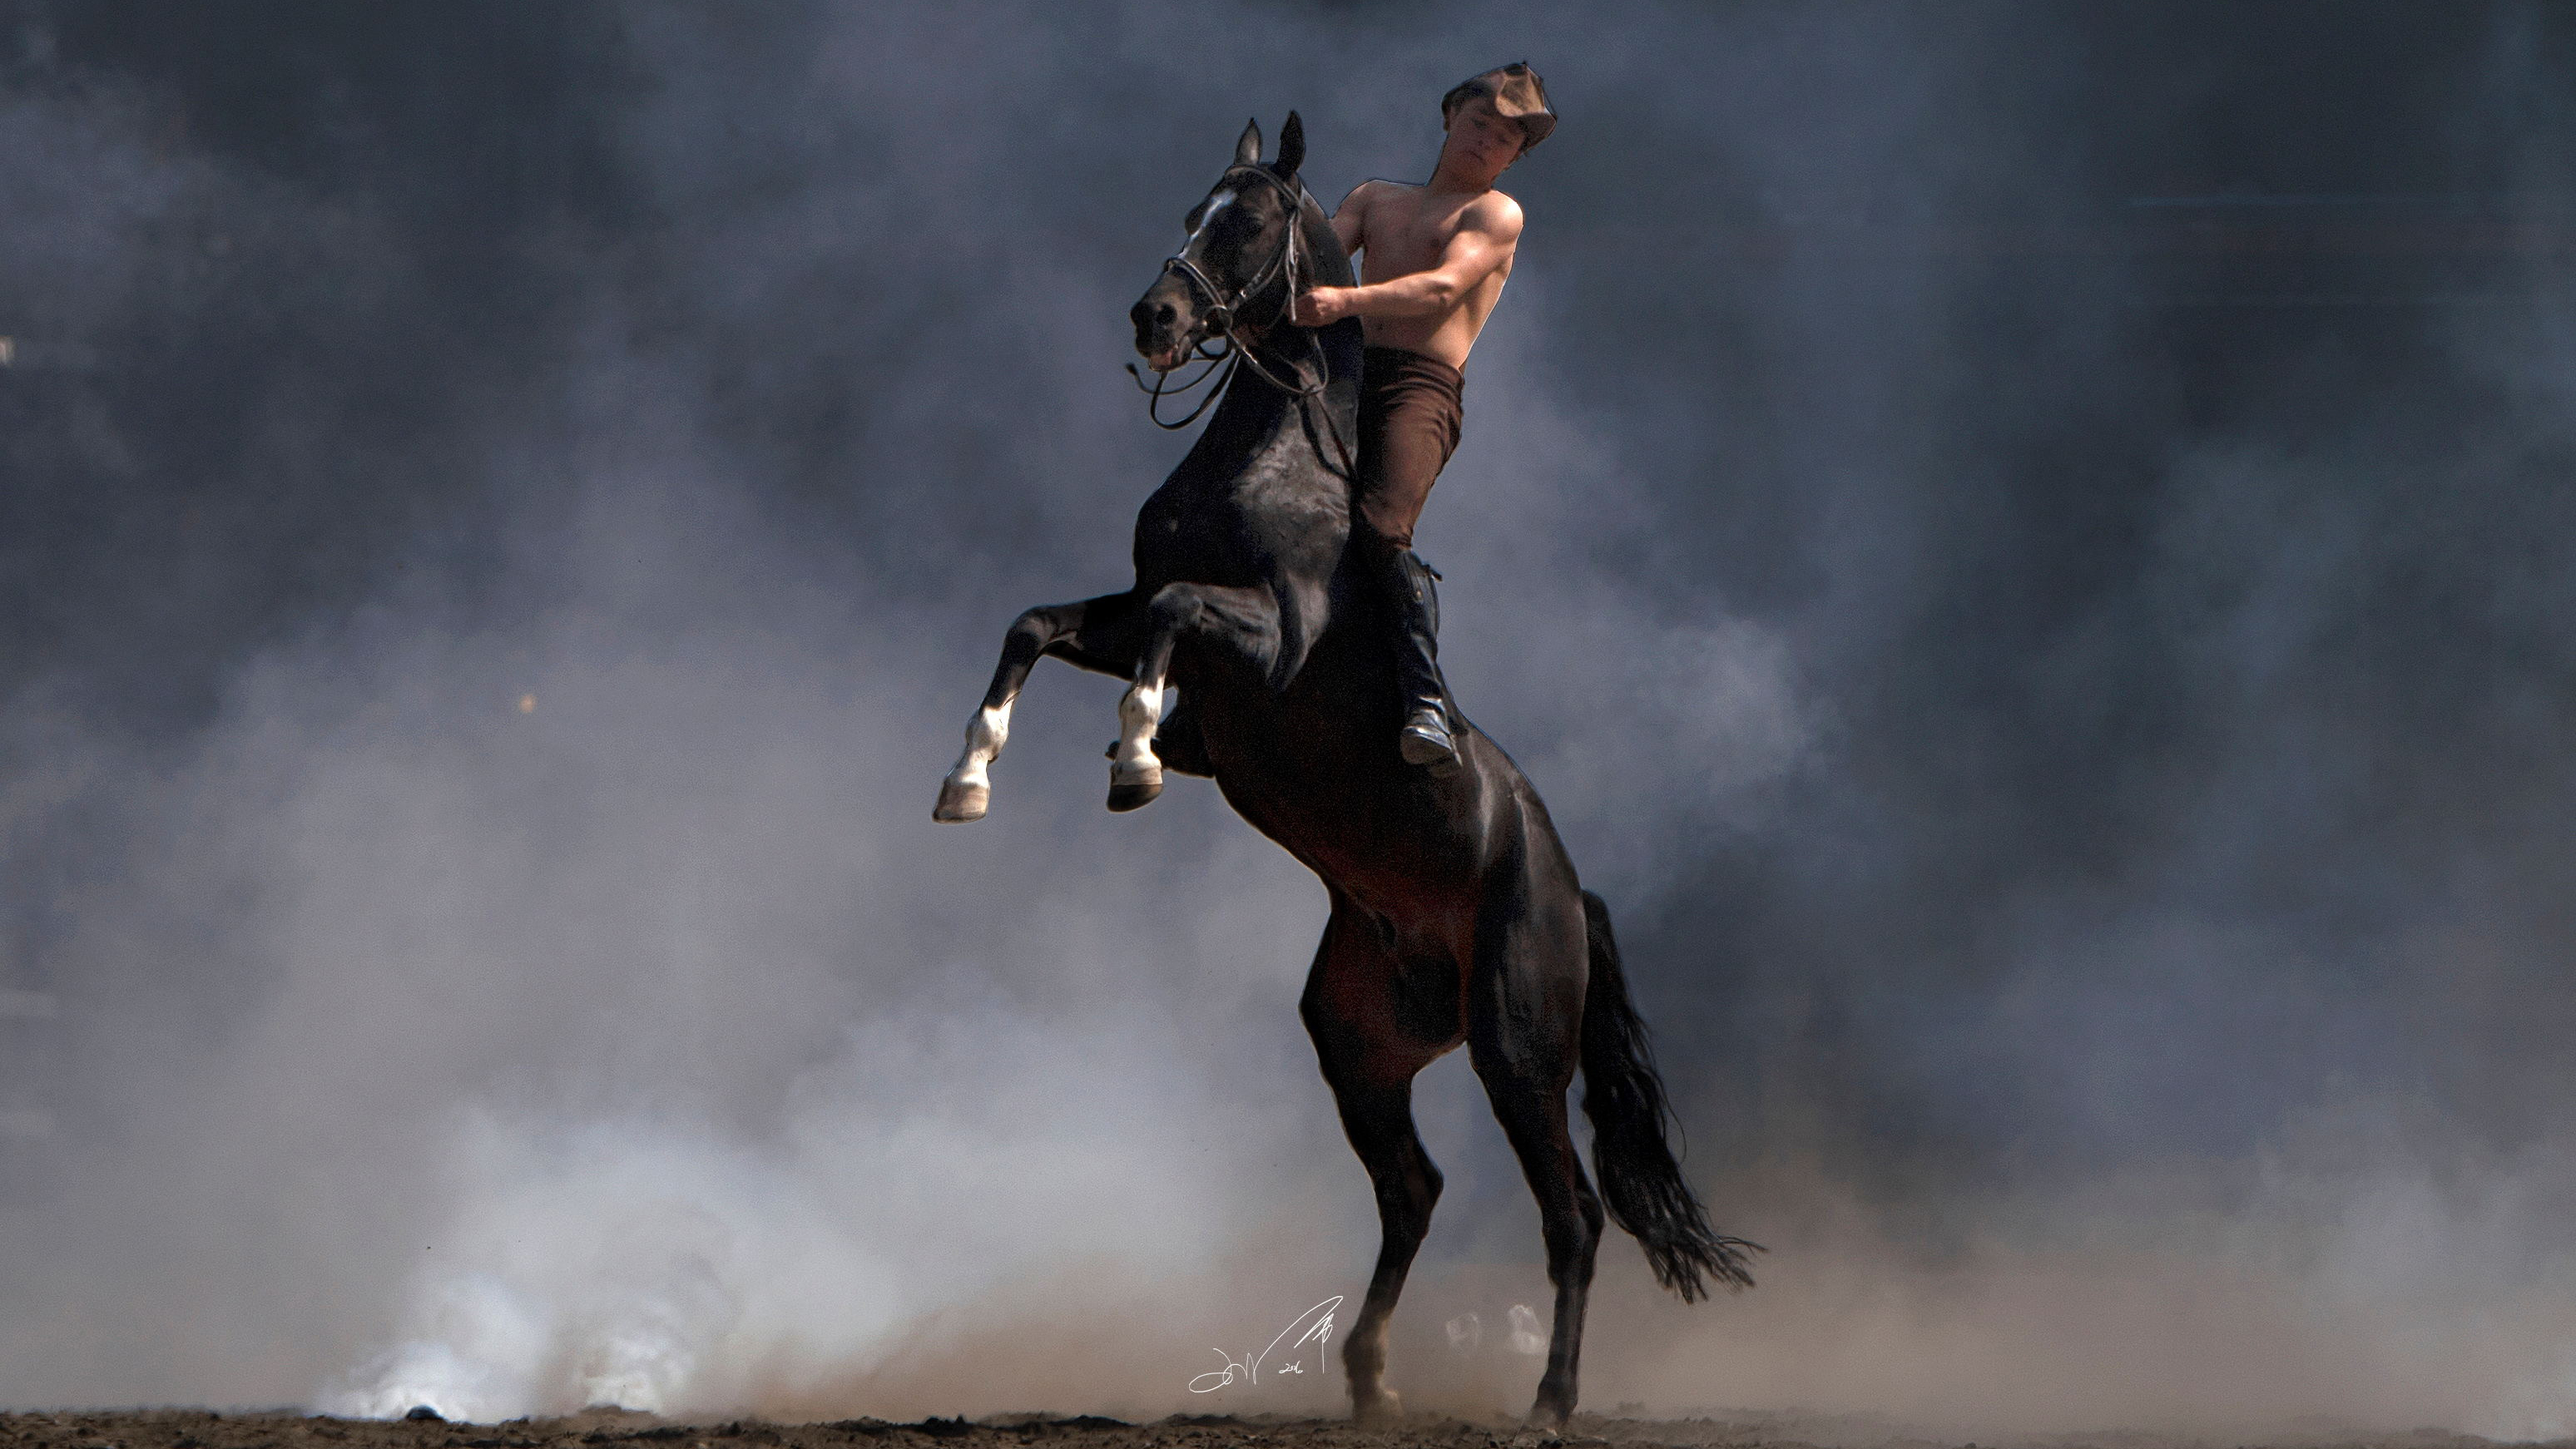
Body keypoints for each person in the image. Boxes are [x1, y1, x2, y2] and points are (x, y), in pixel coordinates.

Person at [1290, 62, 1553, 771]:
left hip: (1419, 388)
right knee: (1265, 493)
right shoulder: (1377, 198)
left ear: (1515, 158)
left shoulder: (1494, 214)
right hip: (1341, 373)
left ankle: (1423, 696)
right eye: (1478, 124)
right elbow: (1309, 263)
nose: (1486, 142)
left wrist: (1343, 303)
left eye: (1504, 140)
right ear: (1449, 118)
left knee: (1379, 525)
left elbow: (1442, 288)